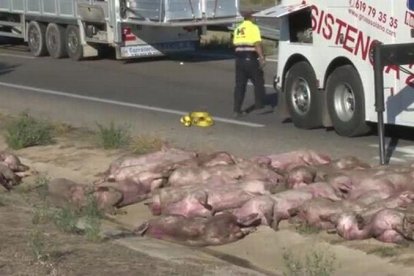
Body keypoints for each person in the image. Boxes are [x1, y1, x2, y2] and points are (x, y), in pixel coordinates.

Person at [232, 11, 271, 117]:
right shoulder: (253, 28)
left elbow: (234, 44)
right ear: (251, 18)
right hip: (250, 58)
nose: (256, 19)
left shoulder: (238, 29)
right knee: (258, 82)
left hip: (239, 60)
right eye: (255, 17)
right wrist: (262, 57)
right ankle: (259, 106)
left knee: (240, 85)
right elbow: (257, 43)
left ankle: (236, 110)